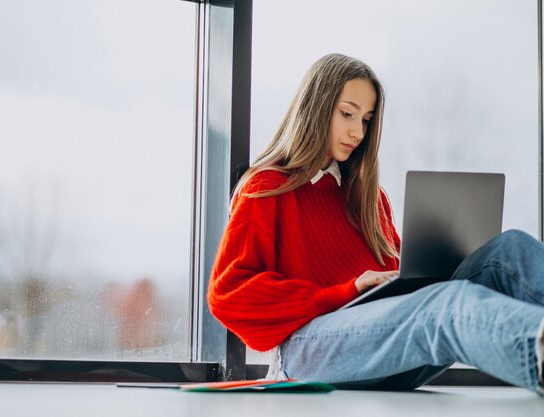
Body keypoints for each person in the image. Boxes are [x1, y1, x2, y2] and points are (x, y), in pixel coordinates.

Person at [207, 53, 544, 394]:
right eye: (347, 114)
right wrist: (345, 290)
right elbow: (228, 294)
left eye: (366, 120)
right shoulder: (267, 187)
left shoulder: (368, 198)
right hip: (308, 350)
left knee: (506, 250)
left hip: (380, 343)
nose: (357, 131)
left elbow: (396, 283)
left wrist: (422, 275)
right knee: (447, 304)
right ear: (315, 108)